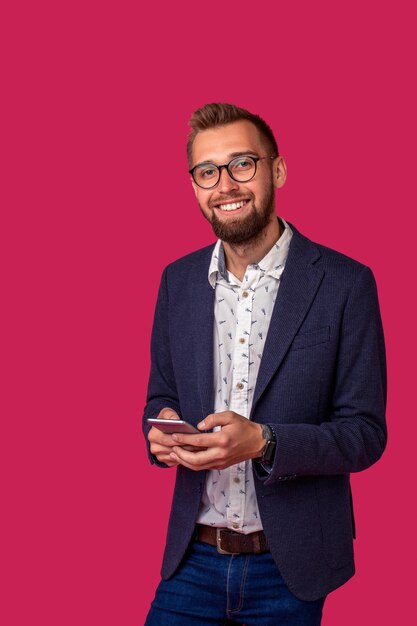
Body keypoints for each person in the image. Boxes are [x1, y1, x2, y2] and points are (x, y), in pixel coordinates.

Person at [142, 103, 387, 626]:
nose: (225, 184)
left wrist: (264, 442)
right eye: (207, 171)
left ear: (276, 170)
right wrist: (160, 432)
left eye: (242, 164)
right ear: (194, 185)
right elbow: (159, 397)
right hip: (192, 559)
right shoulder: (176, 282)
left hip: (290, 568)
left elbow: (365, 433)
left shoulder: (346, 284)